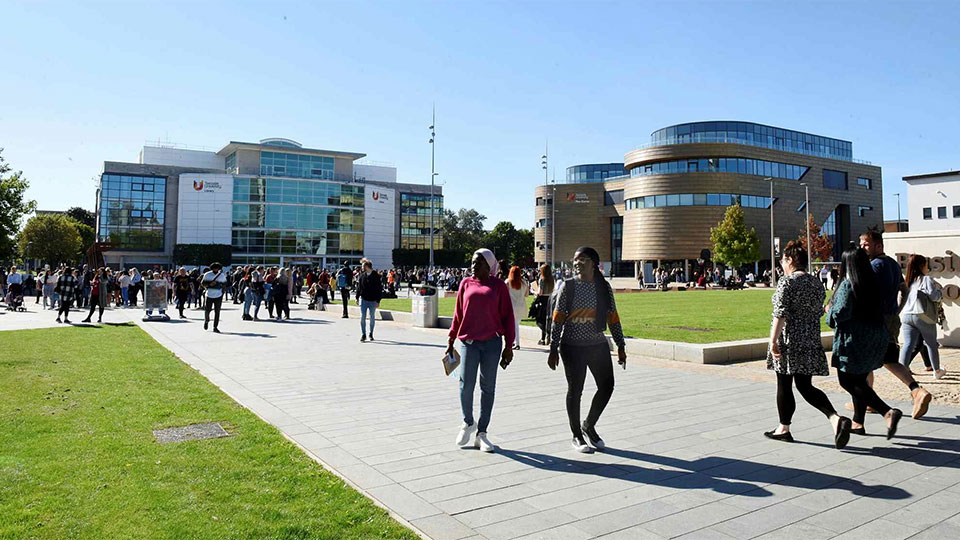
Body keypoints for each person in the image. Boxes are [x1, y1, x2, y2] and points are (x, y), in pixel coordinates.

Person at [763, 242, 851, 448]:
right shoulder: (815, 282)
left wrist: (773, 340)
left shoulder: (787, 282)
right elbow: (820, 310)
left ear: (791, 260)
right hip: (810, 339)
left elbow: (780, 313)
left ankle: (783, 428)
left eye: (783, 260)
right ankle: (835, 418)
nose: (782, 264)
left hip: (789, 341)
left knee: (784, 384)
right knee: (805, 385)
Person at [548, 247, 627, 453]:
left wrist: (620, 345)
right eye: (575, 260)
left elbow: (613, 317)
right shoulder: (569, 287)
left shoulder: (603, 287)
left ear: (594, 263)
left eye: (582, 260)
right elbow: (557, 320)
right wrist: (553, 348)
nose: (577, 263)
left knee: (607, 385)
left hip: (597, 344)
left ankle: (588, 425)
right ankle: (576, 435)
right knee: (576, 390)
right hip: (572, 346)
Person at [829, 247, 903, 439]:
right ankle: (858, 423)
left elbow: (839, 314)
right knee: (860, 380)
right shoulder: (872, 284)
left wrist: (829, 310)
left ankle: (887, 411)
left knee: (846, 381)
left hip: (853, 341)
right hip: (874, 337)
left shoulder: (847, 285)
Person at [447, 250, 515, 452]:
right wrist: (451, 338)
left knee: (488, 388)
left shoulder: (498, 286)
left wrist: (509, 346)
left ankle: (482, 433)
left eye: (478, 262)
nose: (473, 266)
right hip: (469, 343)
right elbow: (458, 313)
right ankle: (468, 422)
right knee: (465, 385)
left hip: (492, 344)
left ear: (489, 265)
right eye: (472, 262)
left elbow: (508, 317)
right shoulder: (465, 283)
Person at [859, 231, 932, 419]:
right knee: (885, 359)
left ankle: (916, 391)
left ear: (878, 245)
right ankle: (869, 400)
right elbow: (904, 289)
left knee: (872, 359)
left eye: (866, 244)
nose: (862, 247)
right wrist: (897, 310)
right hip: (890, 318)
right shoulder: (891, 263)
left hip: (875, 320)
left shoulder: (873, 266)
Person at [899, 254, 945, 379]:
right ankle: (936, 370)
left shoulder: (907, 281)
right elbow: (934, 296)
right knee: (931, 344)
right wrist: (941, 292)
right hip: (922, 315)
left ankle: (902, 370)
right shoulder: (925, 279)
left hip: (907, 315)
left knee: (908, 344)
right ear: (922, 266)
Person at [356, 258, 382, 342]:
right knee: (362, 317)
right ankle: (363, 334)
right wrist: (357, 297)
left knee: (372, 317)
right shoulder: (362, 276)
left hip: (373, 300)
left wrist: (378, 301)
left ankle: (371, 333)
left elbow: (379, 289)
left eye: (363, 266)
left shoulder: (376, 276)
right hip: (363, 299)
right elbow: (359, 287)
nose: (362, 268)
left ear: (367, 266)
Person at [504, 266, 528, 350]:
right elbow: (526, 294)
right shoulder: (524, 282)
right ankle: (515, 341)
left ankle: (516, 342)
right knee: (516, 324)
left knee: (514, 325)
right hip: (521, 305)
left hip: (512, 306)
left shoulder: (507, 282)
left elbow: (505, 295)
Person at [202, 262, 227, 332]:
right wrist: (209, 284)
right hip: (209, 294)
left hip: (218, 295)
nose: (216, 269)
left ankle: (215, 327)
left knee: (217, 311)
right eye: (214, 268)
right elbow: (203, 283)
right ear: (212, 268)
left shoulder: (221, 275)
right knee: (207, 310)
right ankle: (206, 320)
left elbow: (225, 284)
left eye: (217, 268)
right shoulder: (207, 274)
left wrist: (223, 292)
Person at [536, 264, 555, 345]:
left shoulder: (542, 280)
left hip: (543, 299)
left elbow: (540, 292)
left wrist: (533, 291)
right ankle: (545, 338)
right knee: (548, 319)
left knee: (540, 320)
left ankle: (545, 335)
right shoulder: (552, 279)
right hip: (550, 299)